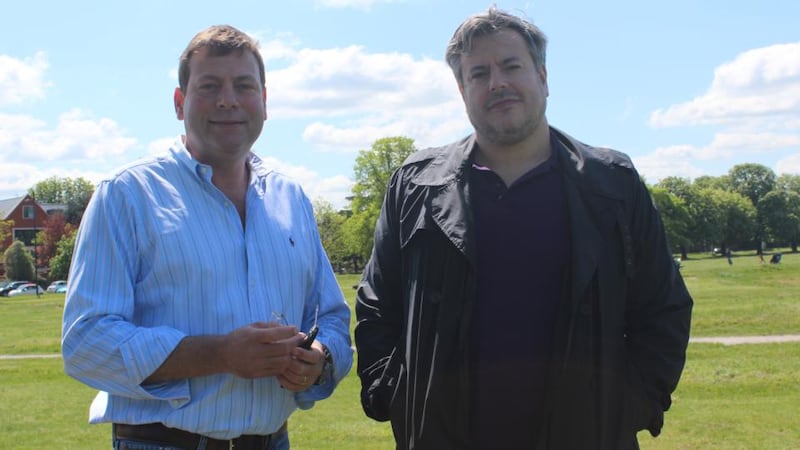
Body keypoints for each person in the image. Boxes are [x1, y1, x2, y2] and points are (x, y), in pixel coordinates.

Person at [354, 7, 692, 450]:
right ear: (462, 90)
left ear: (543, 76)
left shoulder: (613, 183)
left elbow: (662, 308)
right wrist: (393, 394)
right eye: (479, 73)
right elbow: (378, 305)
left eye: (511, 66)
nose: (497, 83)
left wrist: (627, 406)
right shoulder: (416, 185)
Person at [62, 25, 352, 450]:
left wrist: (319, 359)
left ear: (265, 102)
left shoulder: (291, 199)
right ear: (180, 104)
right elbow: (85, 342)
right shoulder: (127, 195)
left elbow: (331, 319)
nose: (228, 100)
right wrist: (220, 355)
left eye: (243, 85)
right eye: (209, 86)